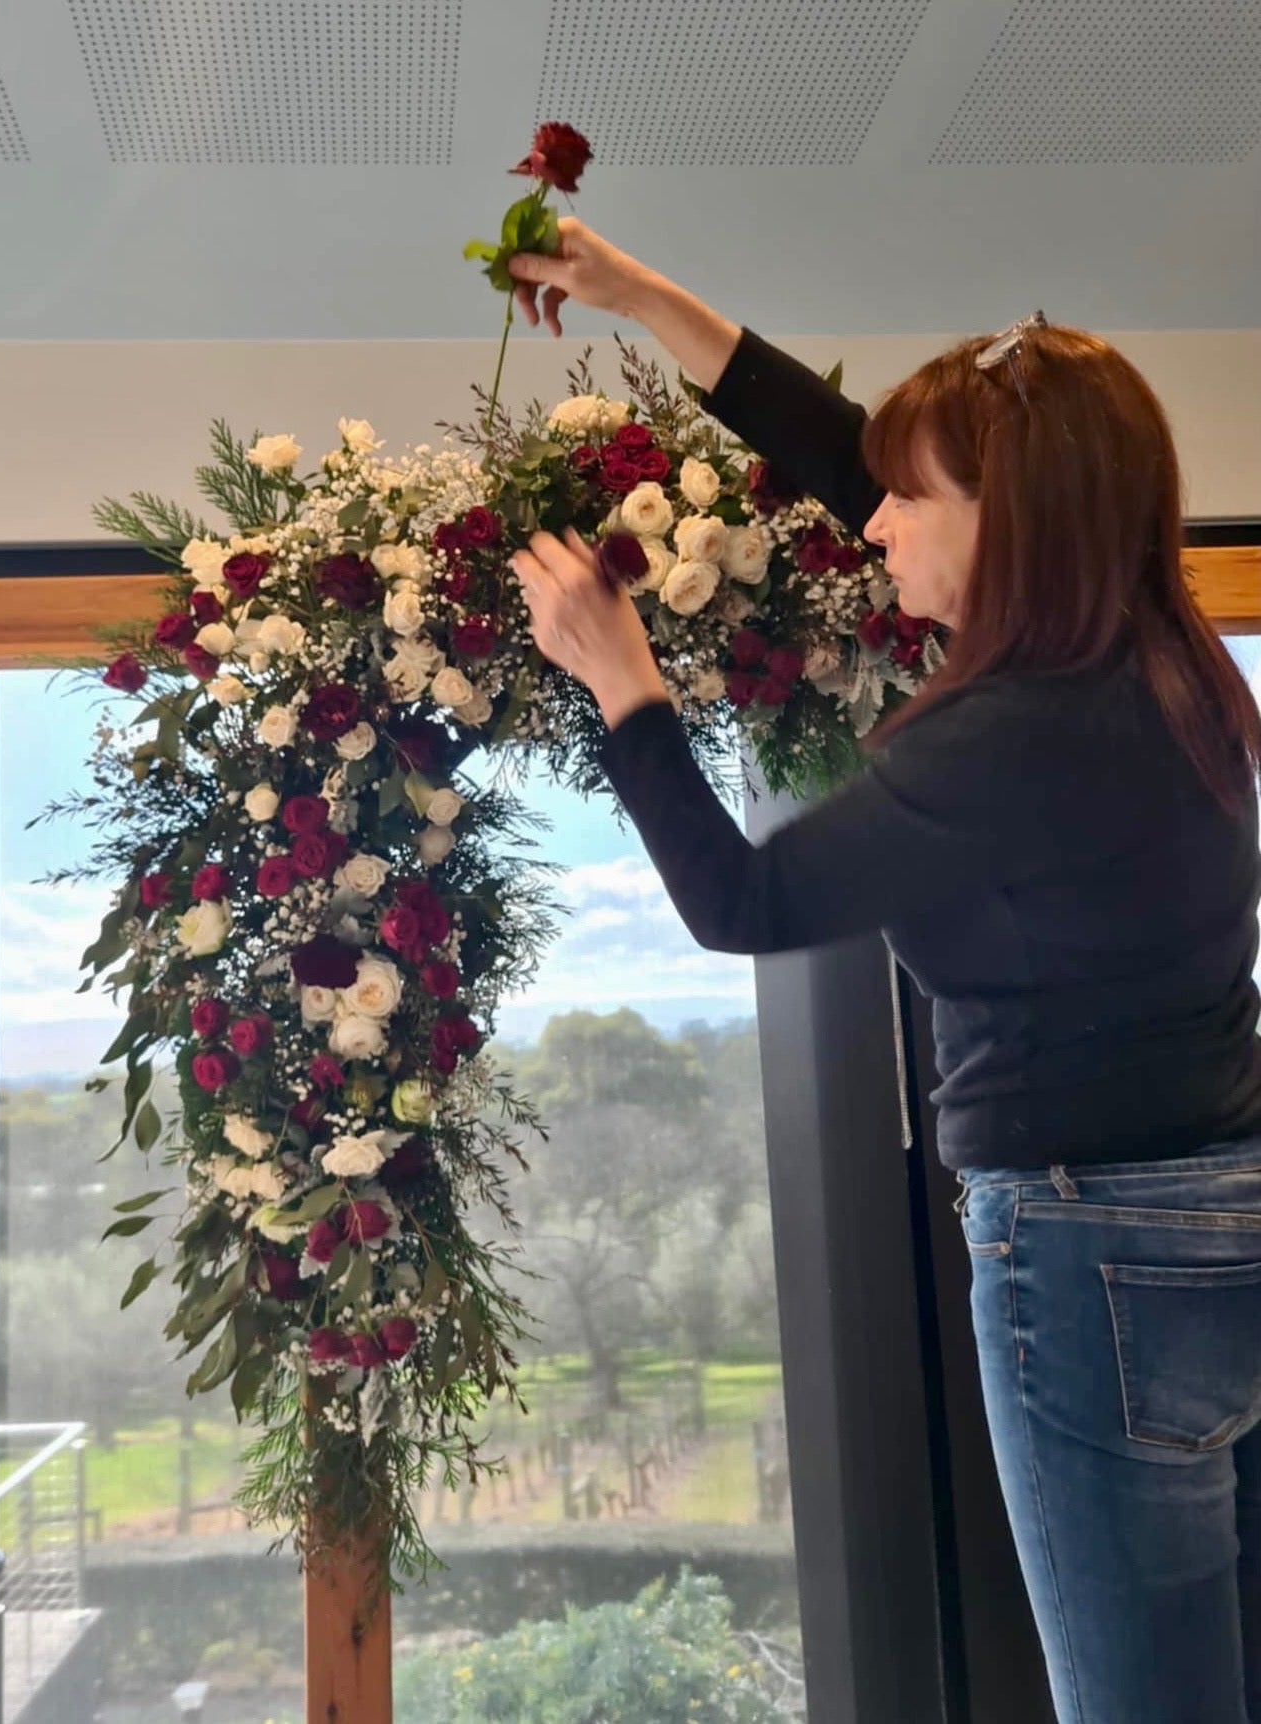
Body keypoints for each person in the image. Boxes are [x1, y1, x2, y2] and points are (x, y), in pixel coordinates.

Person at [505, 218, 1261, 1724]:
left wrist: (623, 684)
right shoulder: (1162, 657)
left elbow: (745, 898)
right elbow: (842, 453)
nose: (874, 525)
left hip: (1088, 1242)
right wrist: (641, 296)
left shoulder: (1011, 734)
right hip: (1229, 1203)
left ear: (1010, 521)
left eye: (914, 501)